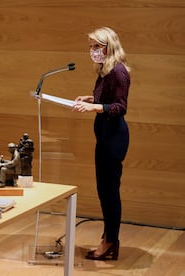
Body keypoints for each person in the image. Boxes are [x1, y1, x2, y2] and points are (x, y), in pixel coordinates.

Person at [72, 27, 130, 260]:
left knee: (109, 193)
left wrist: (95, 107)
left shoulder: (118, 71)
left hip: (114, 139)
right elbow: (107, 99)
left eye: (97, 46)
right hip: (105, 136)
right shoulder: (106, 71)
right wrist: (91, 98)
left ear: (109, 46)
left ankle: (110, 242)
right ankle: (109, 239)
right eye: (91, 46)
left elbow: (120, 107)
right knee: (104, 191)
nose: (93, 51)